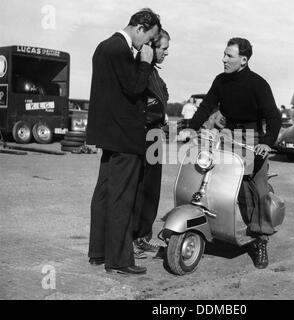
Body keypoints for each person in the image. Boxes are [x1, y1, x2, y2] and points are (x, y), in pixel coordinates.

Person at [178, 37, 281, 269]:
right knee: (209, 177)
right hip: (227, 136)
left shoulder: (258, 84)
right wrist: (190, 129)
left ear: (243, 60)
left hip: (253, 140)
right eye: (224, 54)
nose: (223, 59)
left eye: (229, 56)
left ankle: (260, 239)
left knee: (259, 189)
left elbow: (273, 118)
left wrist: (266, 143)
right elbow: (206, 107)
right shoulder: (220, 81)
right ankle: (212, 224)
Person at [86, 9, 161, 276]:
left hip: (108, 135)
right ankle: (119, 260)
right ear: (140, 27)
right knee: (122, 198)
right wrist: (146, 63)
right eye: (149, 38)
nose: (147, 45)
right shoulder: (121, 49)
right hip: (125, 137)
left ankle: (99, 252)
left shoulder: (104, 46)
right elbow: (134, 89)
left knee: (105, 193)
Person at [133, 29, 171, 256]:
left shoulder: (156, 75)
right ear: (152, 47)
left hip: (155, 136)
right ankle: (136, 239)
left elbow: (161, 101)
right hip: (146, 134)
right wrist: (160, 116)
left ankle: (143, 236)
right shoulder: (142, 71)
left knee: (152, 189)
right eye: (164, 48)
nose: (167, 53)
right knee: (141, 188)